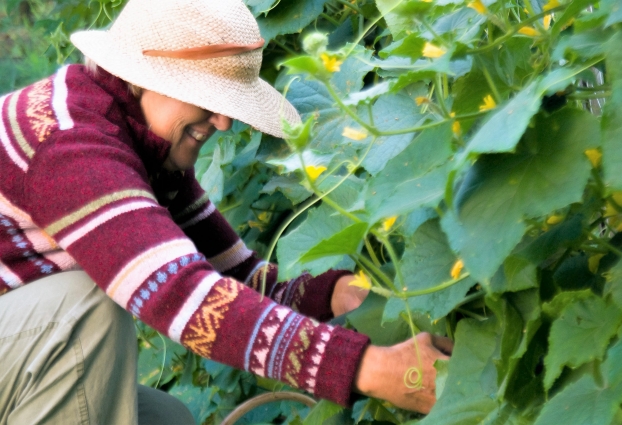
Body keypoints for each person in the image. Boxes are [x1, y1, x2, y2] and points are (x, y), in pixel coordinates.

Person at [0, 0, 452, 423]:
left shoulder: (139, 144)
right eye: (209, 97)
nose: (224, 122)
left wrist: (338, 295)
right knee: (84, 309)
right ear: (143, 77)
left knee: (167, 418)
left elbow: (234, 278)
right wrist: (369, 369)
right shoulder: (71, 143)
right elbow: (176, 291)